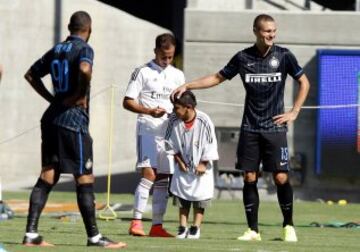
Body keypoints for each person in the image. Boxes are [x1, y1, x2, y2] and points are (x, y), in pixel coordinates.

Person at [172, 14, 310, 242]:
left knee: (282, 178)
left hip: (275, 129)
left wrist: (294, 111)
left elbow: (304, 82)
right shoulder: (243, 57)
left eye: (274, 31)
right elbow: (217, 77)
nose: (271, 35)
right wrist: (189, 84)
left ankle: (288, 225)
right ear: (255, 31)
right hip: (250, 128)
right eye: (267, 31)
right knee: (249, 177)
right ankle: (253, 230)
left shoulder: (284, 55)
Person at [22, 11, 126, 249]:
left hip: (51, 118)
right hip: (73, 121)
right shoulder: (85, 49)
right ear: (89, 30)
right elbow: (85, 70)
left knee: (48, 174)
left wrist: (53, 99)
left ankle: (31, 235)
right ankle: (94, 237)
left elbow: (30, 74)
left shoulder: (57, 49)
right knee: (84, 177)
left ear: (69, 27)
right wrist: (79, 96)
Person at [123, 33, 185, 237]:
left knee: (164, 178)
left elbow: (181, 105)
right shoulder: (142, 72)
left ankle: (157, 226)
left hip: (168, 132)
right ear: (155, 51)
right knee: (149, 174)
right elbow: (128, 101)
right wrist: (149, 111)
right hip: (147, 128)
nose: (167, 60)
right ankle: (136, 222)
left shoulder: (178, 75)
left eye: (170, 57)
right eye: (163, 56)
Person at [164, 91, 218, 239]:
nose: (174, 111)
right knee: (182, 198)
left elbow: (211, 143)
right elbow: (168, 142)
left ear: (188, 107)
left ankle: (195, 228)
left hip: (202, 167)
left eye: (177, 108)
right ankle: (182, 227)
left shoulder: (205, 120)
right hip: (182, 164)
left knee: (200, 198)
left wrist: (203, 163)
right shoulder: (173, 120)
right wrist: (179, 161)